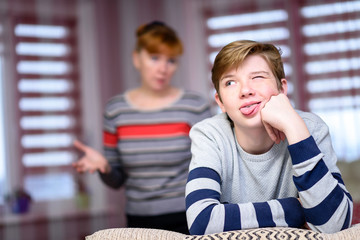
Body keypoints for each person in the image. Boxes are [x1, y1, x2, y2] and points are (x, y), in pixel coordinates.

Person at [185, 40, 353, 235]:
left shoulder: (310, 128)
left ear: (281, 89)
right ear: (220, 102)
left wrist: (294, 126)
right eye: (230, 82)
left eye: (257, 77)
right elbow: (202, 221)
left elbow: (336, 224)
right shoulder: (208, 134)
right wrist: (298, 209)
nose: (245, 91)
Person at [72, 21, 212, 234]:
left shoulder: (195, 106)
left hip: (190, 215)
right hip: (137, 219)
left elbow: (212, 166)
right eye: (154, 58)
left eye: (171, 60)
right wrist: (105, 168)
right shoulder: (115, 110)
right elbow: (117, 180)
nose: (163, 68)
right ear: (137, 58)